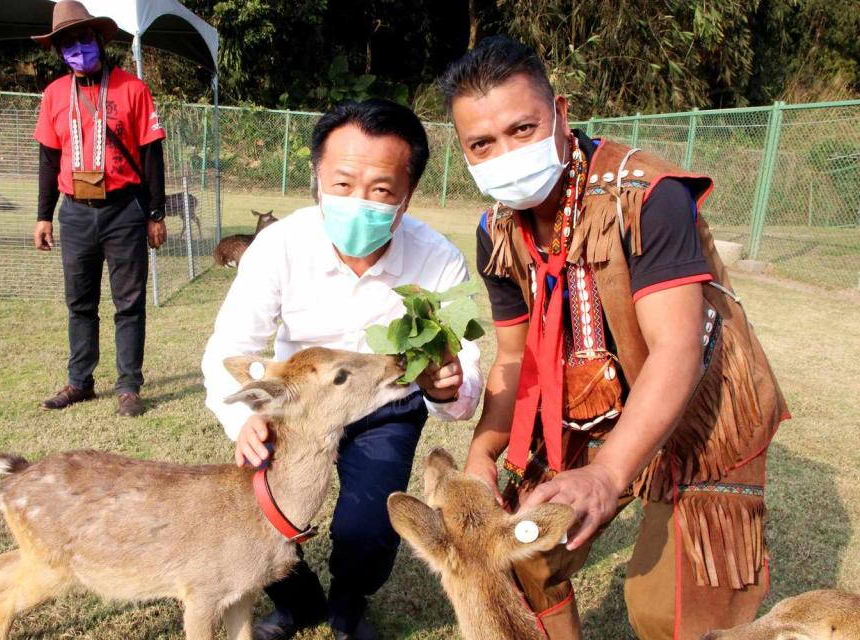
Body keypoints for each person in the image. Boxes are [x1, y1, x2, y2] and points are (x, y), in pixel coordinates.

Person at [439, 37, 788, 639]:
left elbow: (677, 349)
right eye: (482, 144)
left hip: (703, 406)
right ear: (464, 150)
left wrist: (605, 477)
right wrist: (480, 457)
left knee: (673, 611)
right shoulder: (495, 227)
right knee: (525, 550)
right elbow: (516, 358)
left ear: (562, 114)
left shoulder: (647, 193)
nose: (505, 153)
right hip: (585, 405)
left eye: (523, 128)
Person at [202, 99, 483, 640]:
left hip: (385, 403)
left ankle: (349, 604)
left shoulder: (439, 259)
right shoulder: (279, 246)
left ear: (407, 196)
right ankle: (296, 600)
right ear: (316, 177)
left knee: (369, 529)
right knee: (262, 509)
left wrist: (448, 388)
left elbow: (463, 376)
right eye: (343, 183)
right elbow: (229, 346)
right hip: (302, 404)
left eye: (381, 190)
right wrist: (244, 423)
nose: (360, 202)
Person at [31, 1, 167, 418]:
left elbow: (151, 156)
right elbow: (48, 159)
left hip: (123, 210)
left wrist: (156, 214)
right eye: (66, 42)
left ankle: (128, 386)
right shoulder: (54, 95)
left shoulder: (133, 89)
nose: (76, 47)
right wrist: (43, 215)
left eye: (82, 38)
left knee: (129, 303)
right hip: (74, 213)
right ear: (58, 51)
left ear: (99, 40)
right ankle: (80, 382)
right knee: (80, 303)